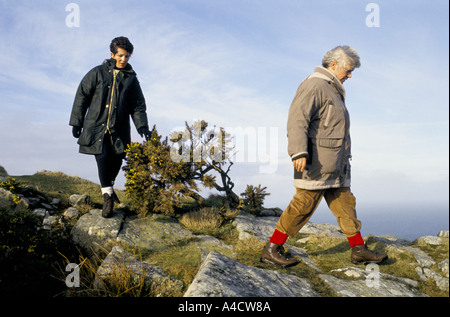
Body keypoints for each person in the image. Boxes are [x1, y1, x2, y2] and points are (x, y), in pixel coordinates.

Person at [261, 46, 388, 267]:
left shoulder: (332, 89)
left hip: (336, 163)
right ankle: (271, 249)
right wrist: (298, 151)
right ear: (334, 64)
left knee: (345, 203)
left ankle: (358, 249)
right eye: (348, 70)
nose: (350, 75)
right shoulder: (314, 85)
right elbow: (297, 119)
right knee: (303, 205)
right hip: (315, 161)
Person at [69, 36, 150, 218]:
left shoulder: (131, 79)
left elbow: (137, 105)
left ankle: (110, 189)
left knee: (116, 161)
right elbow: (82, 96)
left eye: (127, 56)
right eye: (120, 55)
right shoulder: (97, 73)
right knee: (103, 157)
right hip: (96, 127)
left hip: (119, 129)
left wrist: (142, 126)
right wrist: (77, 121)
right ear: (112, 54)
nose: (123, 59)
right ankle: (107, 197)